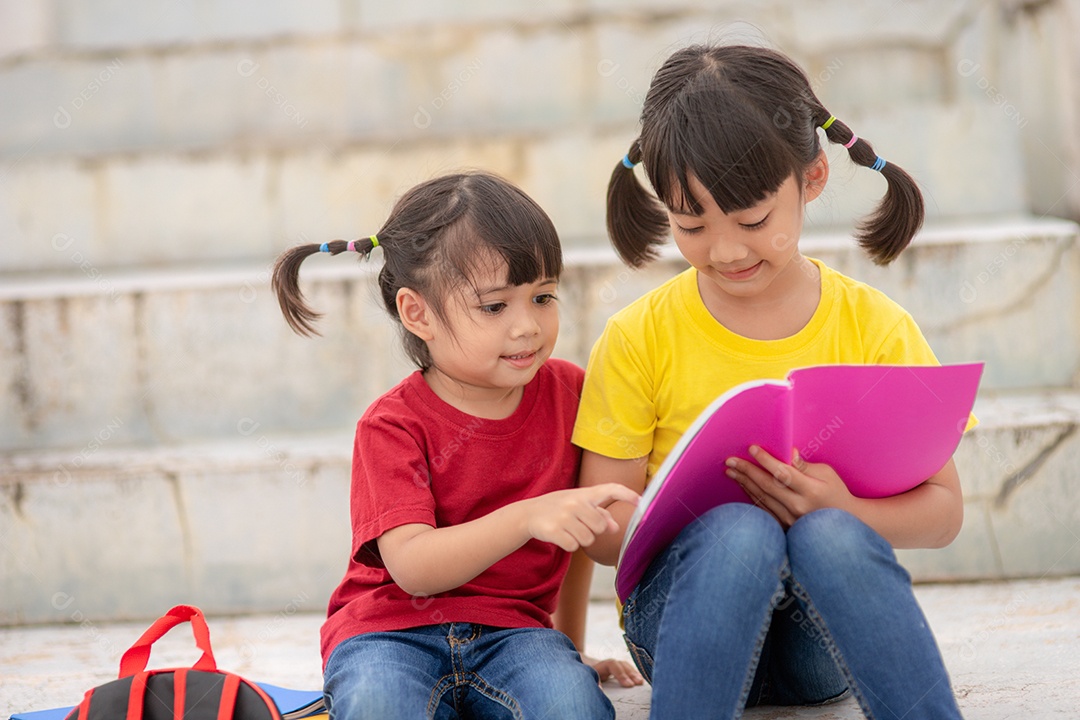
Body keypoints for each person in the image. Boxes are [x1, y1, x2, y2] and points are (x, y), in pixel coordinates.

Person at [573, 44, 968, 718]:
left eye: (753, 221)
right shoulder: (640, 337)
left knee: (832, 535)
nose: (725, 250)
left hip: (820, 646)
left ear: (813, 177)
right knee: (735, 533)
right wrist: (685, 513)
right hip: (679, 627)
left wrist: (844, 508)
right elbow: (601, 523)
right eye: (691, 225)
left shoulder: (873, 326)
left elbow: (945, 514)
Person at [271, 171, 642, 720]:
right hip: (390, 633)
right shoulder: (391, 426)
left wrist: (572, 646)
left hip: (516, 635)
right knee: (379, 706)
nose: (527, 327)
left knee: (574, 708)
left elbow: (579, 530)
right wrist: (528, 517)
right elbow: (415, 567)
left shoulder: (571, 392)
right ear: (417, 313)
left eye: (542, 297)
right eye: (495, 307)